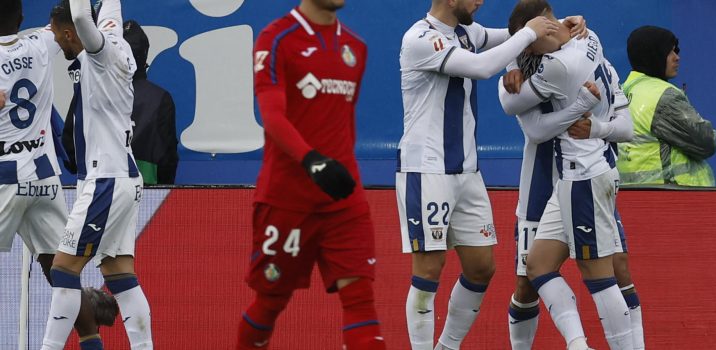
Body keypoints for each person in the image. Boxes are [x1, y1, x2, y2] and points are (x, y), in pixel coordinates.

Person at [397, 1, 587, 349]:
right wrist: (527, 37)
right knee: (428, 270)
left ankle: (446, 346)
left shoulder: (466, 32)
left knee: (481, 267)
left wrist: (560, 24)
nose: (480, 2)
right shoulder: (420, 38)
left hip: (467, 170)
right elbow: (484, 66)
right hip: (426, 168)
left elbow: (512, 39)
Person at [236, 0, 386, 349]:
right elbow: (272, 117)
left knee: (361, 299)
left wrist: (339, 168)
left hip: (344, 198)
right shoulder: (276, 38)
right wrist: (312, 161)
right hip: (288, 200)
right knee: (270, 303)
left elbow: (341, 124)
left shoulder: (356, 46)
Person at [499, 1, 635, 349]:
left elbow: (518, 112)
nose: (526, 48)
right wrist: (514, 61)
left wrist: (588, 122)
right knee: (536, 267)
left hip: (584, 174)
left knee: (604, 275)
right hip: (566, 178)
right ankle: (578, 345)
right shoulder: (590, 39)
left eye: (529, 41)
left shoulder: (559, 64)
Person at [0, 1, 114, 349]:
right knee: (62, 274)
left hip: (4, 176)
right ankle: (91, 341)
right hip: (44, 177)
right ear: (21, 18)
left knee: (62, 274)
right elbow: (69, 20)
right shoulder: (41, 41)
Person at [41, 0, 152, 349]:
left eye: (60, 36)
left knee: (63, 270)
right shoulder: (113, 38)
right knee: (121, 277)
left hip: (104, 179)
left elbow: (78, 14)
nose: (58, 43)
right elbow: (109, 11)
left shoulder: (100, 52)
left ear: (74, 32)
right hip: (123, 176)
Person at [617, 25, 716, 187]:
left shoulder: (623, 90)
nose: (676, 57)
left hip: (632, 197)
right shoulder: (663, 97)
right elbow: (705, 142)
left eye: (676, 51)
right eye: (669, 52)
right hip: (674, 198)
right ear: (653, 55)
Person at [122, 19, 179, 185]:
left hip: (101, 191)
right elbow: (168, 158)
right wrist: (162, 190)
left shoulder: (96, 93)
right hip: (149, 195)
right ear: (145, 54)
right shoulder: (161, 98)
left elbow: (73, 145)